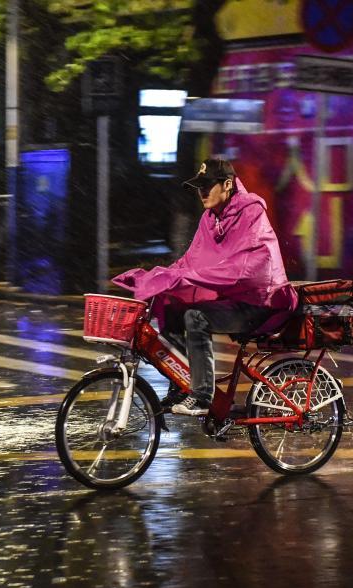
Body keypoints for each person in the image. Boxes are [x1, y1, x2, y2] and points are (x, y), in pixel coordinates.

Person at [112, 158, 298, 416]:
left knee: (195, 317)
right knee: (173, 310)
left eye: (207, 186)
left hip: (260, 302)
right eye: (199, 187)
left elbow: (246, 267)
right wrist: (157, 277)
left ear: (228, 185)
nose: (201, 192)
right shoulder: (209, 219)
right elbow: (190, 261)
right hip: (232, 300)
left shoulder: (251, 212)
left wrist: (192, 276)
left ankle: (202, 396)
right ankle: (180, 385)